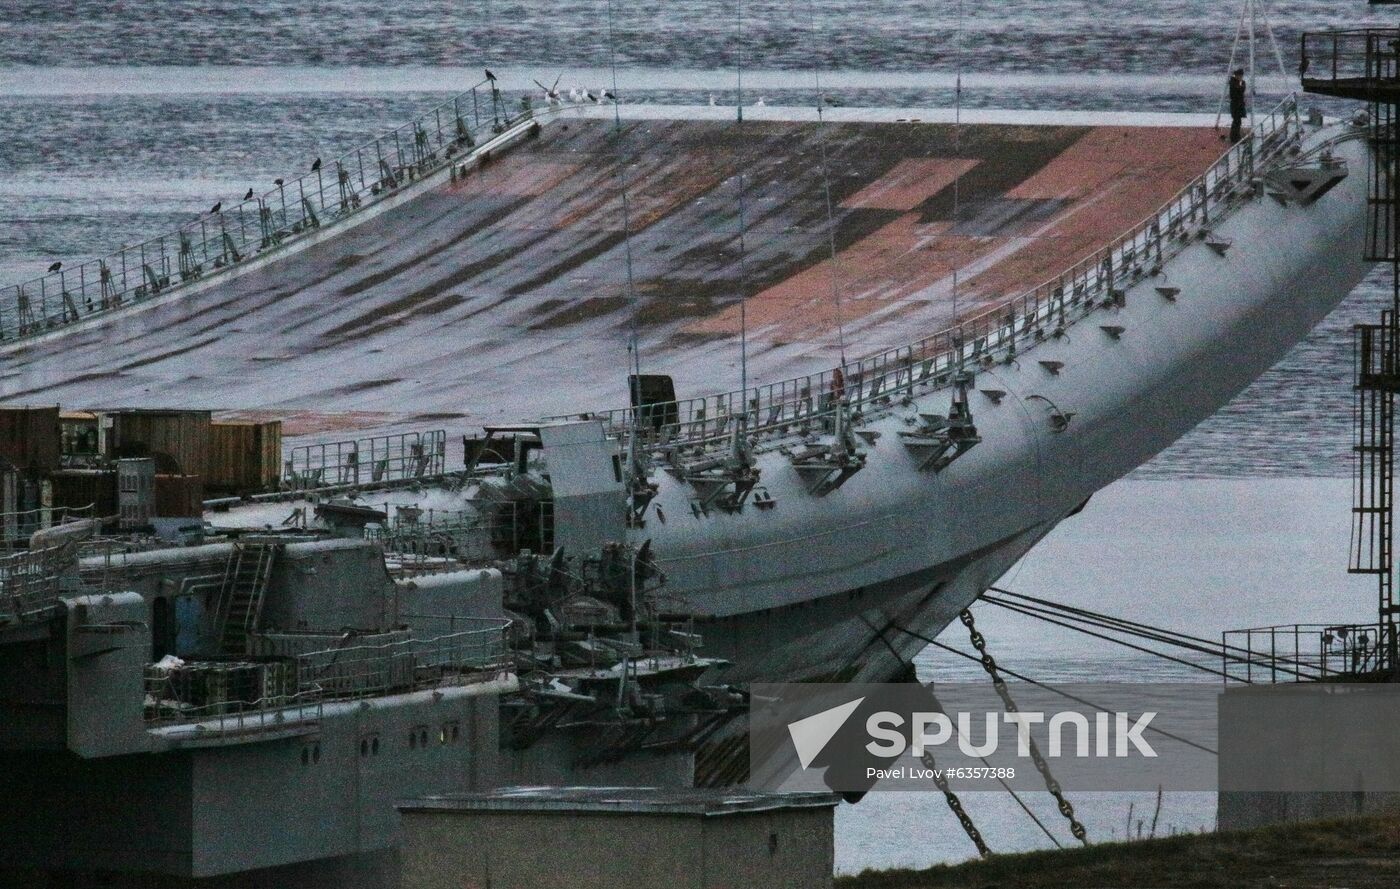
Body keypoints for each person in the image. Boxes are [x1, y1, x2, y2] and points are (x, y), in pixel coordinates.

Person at [1229, 69, 1247, 145]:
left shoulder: (1241, 82)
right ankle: (1234, 137)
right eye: (1239, 75)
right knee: (1236, 121)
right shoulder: (1233, 82)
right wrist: (1240, 83)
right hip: (1235, 104)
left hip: (1239, 104)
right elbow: (1238, 89)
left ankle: (1236, 136)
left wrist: (1240, 83)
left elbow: (1242, 89)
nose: (1241, 77)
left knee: (1238, 121)